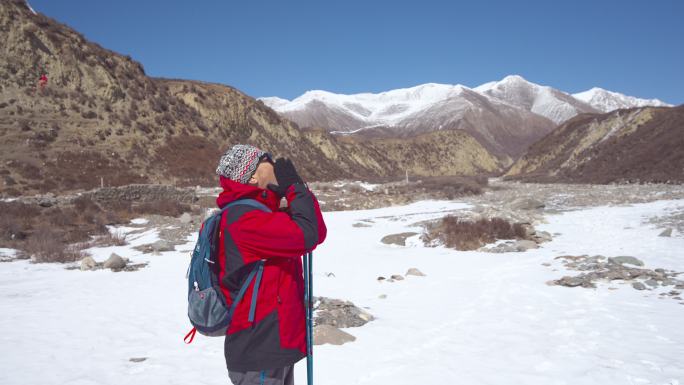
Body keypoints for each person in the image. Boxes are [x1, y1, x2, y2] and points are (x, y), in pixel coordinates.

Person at [214, 144, 327, 385]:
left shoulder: (263, 212)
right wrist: (295, 189)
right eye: (267, 159)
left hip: (273, 344)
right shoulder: (245, 219)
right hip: (260, 350)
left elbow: (316, 232)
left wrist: (298, 192)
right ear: (252, 175)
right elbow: (307, 234)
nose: (274, 163)